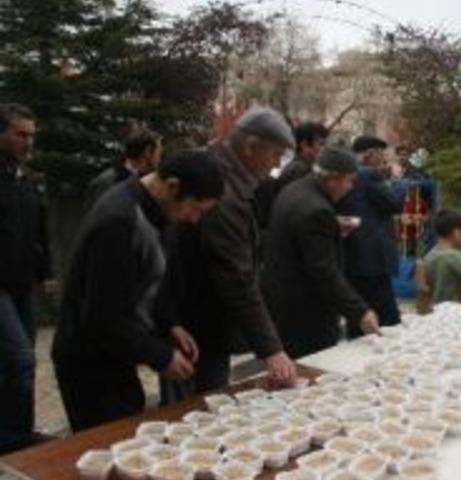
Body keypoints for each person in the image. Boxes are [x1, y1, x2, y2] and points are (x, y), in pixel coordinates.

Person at [52, 149, 224, 431]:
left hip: (118, 352)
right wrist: (161, 356)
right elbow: (103, 317)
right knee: (112, 444)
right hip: (89, 361)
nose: (194, 219)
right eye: (195, 208)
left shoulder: (156, 210)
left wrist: (169, 325)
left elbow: (150, 281)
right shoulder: (120, 221)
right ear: (172, 186)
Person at [159, 108, 298, 404]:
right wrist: (271, 349)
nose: (276, 165)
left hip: (199, 319)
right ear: (250, 147)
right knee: (196, 410)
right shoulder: (222, 188)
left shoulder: (229, 176)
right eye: (275, 154)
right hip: (198, 325)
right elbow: (235, 274)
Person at [263, 146, 380, 358]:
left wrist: (332, 228)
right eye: (349, 180)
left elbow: (299, 235)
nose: (351, 188)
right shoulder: (316, 210)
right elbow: (324, 271)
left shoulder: (294, 189)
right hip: (306, 314)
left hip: (281, 305)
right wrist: (360, 311)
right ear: (333, 178)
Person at [0, 103, 55, 453]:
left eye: (32, 135)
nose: (28, 141)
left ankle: (18, 427)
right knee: (21, 359)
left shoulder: (29, 179)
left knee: (18, 360)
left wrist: (46, 273)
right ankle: (14, 440)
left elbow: (40, 232)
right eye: (21, 134)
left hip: (22, 285)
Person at [338, 135, 404, 337]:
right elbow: (395, 204)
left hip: (352, 254)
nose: (382, 159)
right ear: (369, 155)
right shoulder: (368, 175)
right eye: (380, 154)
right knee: (388, 319)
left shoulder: (346, 172)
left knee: (358, 315)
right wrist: (396, 180)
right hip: (373, 258)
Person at [254, 121, 329, 229]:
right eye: (321, 144)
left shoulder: (298, 167)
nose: (324, 149)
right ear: (304, 145)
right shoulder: (300, 171)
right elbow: (299, 211)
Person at [84, 126, 162, 210]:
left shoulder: (154, 182)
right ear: (147, 152)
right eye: (159, 153)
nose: (159, 158)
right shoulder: (105, 183)